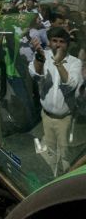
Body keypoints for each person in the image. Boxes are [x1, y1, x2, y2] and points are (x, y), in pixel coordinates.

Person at [29, 27, 82, 175]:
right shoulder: (43, 56)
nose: (58, 45)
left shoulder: (74, 62)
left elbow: (71, 85)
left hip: (64, 119)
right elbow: (35, 75)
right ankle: (51, 177)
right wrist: (39, 59)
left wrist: (58, 63)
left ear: (67, 44)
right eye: (54, 41)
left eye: (62, 41)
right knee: (49, 151)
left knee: (65, 153)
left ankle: (64, 182)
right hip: (46, 116)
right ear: (50, 42)